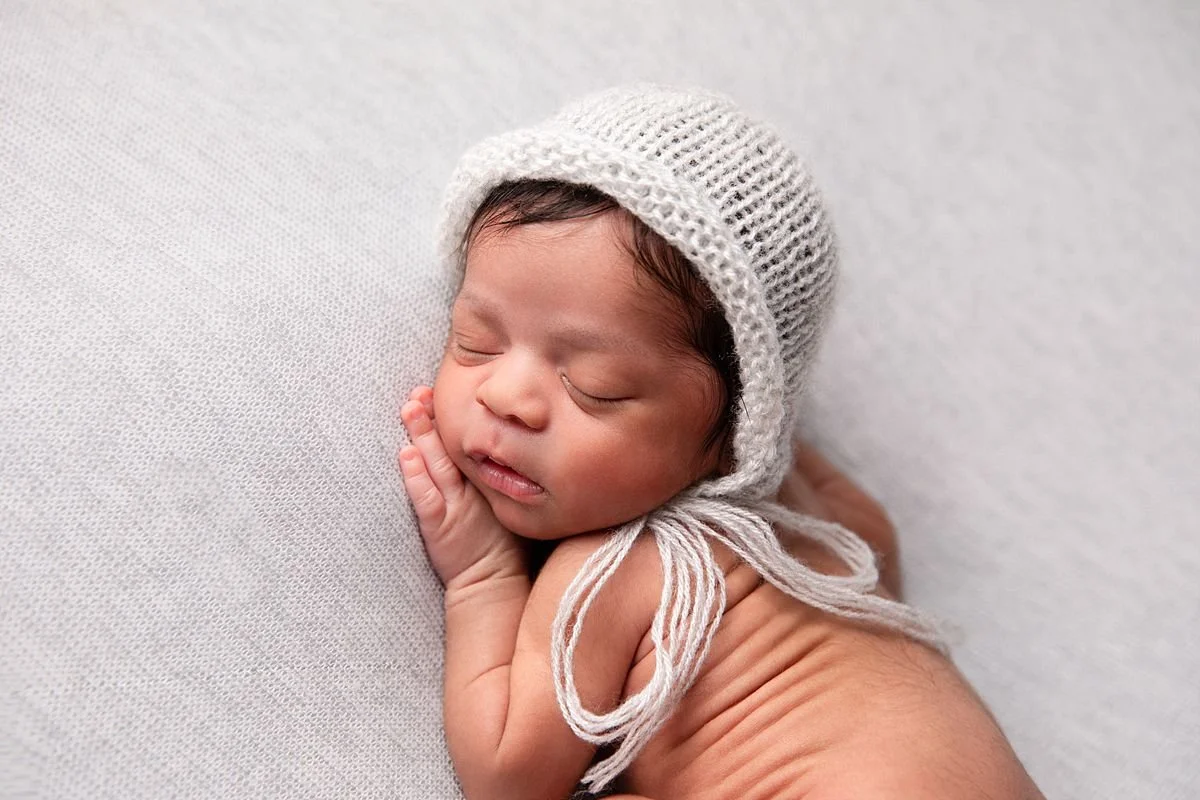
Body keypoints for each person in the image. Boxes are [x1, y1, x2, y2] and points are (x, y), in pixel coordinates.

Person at [399, 85, 1044, 799]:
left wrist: (484, 576)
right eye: (476, 340)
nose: (506, 398)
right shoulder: (824, 529)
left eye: (595, 387)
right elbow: (878, 542)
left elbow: (507, 777)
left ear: (741, 433)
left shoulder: (612, 573)